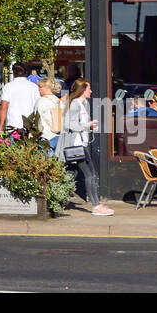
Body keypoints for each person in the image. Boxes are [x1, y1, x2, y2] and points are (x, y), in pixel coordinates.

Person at [55, 79, 114, 216]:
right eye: (89, 89)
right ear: (82, 90)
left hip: (79, 144)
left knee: (71, 174)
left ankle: (58, 201)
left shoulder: (83, 103)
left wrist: (89, 126)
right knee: (91, 174)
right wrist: (88, 126)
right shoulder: (75, 104)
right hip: (77, 145)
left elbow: (80, 124)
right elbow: (70, 125)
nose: (91, 91)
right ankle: (96, 206)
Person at [0, 64, 39, 136]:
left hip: (13, 125)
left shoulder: (8, 86)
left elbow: (3, 108)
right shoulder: (34, 87)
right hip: (30, 125)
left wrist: (1, 128)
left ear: (13, 73)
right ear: (26, 73)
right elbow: (38, 106)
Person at [35, 78, 63, 152]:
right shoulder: (58, 100)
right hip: (58, 136)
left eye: (40, 87)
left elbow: (36, 120)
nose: (38, 89)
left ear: (47, 88)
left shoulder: (41, 101)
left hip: (45, 137)